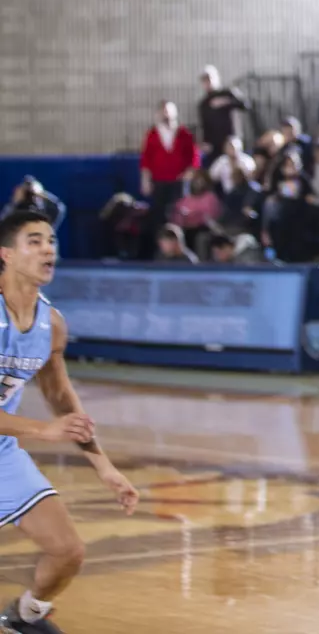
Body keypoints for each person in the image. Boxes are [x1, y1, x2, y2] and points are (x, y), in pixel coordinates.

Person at [0, 212, 139, 633]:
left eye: (51, 241)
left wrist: (104, 466)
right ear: (6, 254)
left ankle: (25, 616)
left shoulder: (51, 324)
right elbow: (50, 424)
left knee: (67, 551)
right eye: (35, 241)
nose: (48, 249)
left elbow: (62, 400)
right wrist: (43, 431)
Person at [139, 101, 198, 230]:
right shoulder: (152, 134)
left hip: (178, 180)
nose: (166, 114)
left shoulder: (184, 133)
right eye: (163, 111)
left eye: (169, 111)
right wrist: (145, 180)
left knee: (179, 212)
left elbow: (193, 156)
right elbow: (146, 159)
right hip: (159, 180)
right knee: (160, 213)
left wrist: (189, 173)